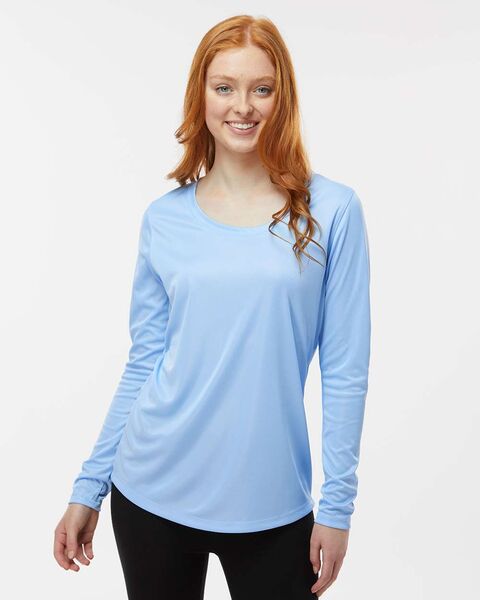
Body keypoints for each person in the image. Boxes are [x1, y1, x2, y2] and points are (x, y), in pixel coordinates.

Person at [53, 14, 371, 600]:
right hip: (151, 493)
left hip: (273, 505)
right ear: (201, 95)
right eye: (224, 86)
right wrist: (88, 486)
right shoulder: (164, 219)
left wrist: (337, 506)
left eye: (261, 88)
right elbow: (146, 361)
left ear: (283, 96)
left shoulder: (332, 212)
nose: (242, 106)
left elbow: (345, 371)